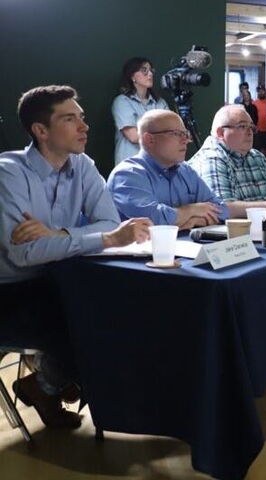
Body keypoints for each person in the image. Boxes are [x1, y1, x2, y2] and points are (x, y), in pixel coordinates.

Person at [1, 85, 152, 429]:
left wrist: (59, 235)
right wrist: (104, 239)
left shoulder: (82, 165)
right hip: (9, 291)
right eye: (70, 119)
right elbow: (25, 254)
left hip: (59, 278)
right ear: (41, 131)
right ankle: (56, 384)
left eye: (81, 117)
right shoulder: (8, 173)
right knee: (87, 320)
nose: (84, 127)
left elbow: (110, 222)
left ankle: (51, 383)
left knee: (124, 305)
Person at [107, 110, 229, 228]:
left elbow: (222, 210)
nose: (185, 140)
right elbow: (153, 220)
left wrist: (193, 221)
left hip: (188, 246)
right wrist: (191, 210)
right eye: (176, 134)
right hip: (144, 248)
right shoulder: (127, 174)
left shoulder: (186, 171)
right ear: (149, 139)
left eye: (185, 134)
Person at [188, 105, 266, 217]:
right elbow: (223, 208)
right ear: (220, 133)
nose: (250, 132)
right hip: (230, 237)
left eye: (251, 127)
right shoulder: (212, 158)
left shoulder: (256, 156)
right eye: (242, 126)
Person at [111, 57, 169, 165]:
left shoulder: (160, 103)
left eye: (151, 70)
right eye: (144, 70)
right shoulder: (122, 102)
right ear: (132, 76)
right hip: (131, 167)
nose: (150, 74)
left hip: (158, 166)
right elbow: (133, 136)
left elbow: (171, 131)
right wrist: (162, 134)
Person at [252, 86, 266, 154]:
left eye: (262, 91)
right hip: (258, 130)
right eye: (259, 91)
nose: (261, 92)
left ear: (265, 92)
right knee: (257, 150)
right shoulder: (254, 103)